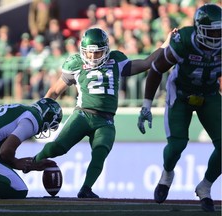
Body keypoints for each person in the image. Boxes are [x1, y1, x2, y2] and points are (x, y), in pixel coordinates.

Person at [32, 27, 172, 198]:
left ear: (106, 50)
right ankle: (30, 163)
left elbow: (146, 63)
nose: (92, 57)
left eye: (97, 53)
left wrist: (167, 43)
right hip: (82, 115)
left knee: (100, 152)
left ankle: (86, 189)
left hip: (105, 120)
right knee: (57, 147)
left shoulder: (116, 60)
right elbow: (54, 91)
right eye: (88, 53)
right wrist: (41, 111)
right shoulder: (76, 63)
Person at [137, 4, 221, 212]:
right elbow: (156, 69)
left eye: (221, 31)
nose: (218, 36)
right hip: (181, 93)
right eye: (213, 32)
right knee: (176, 145)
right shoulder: (184, 40)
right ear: (200, 30)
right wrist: (146, 105)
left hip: (209, 93)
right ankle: (167, 175)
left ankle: (205, 187)